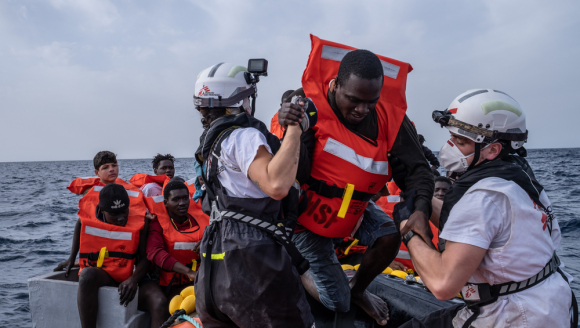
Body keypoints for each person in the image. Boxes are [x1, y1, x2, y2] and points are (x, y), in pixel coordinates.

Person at [277, 36, 434, 325]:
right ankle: (298, 267)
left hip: (353, 209)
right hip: (306, 217)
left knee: (389, 236)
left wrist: (420, 208)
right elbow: (296, 174)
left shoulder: (390, 117)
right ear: (335, 85)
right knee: (338, 302)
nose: (362, 109)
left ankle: (359, 288)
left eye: (371, 102)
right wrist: (293, 130)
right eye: (354, 100)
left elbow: (417, 170)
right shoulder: (307, 104)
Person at [397, 89, 577, 327]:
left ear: (493, 149)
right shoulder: (518, 180)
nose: (449, 147)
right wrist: (422, 197)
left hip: (513, 315)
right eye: (451, 137)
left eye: (460, 141)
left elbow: (443, 285)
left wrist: (407, 230)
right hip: (551, 305)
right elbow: (474, 230)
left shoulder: (484, 197)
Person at [192, 62, 314, 327]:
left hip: (214, 266)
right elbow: (277, 184)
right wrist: (296, 127)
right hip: (251, 263)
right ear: (244, 99)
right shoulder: (243, 136)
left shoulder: (211, 143)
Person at [56, 183, 150, 328]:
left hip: (125, 275)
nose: (121, 218)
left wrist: (133, 279)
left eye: (124, 212)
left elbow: (144, 259)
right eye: (114, 214)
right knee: (86, 275)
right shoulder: (90, 218)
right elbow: (80, 223)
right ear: (101, 210)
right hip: (102, 273)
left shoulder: (141, 222)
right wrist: (71, 257)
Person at [139, 177, 209, 328]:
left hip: (202, 280)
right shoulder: (158, 222)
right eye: (176, 199)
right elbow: (154, 252)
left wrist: (207, 242)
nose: (182, 203)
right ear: (166, 203)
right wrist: (189, 272)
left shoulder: (201, 219)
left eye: (185, 198)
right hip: (172, 285)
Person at [66, 151, 140, 195]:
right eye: (105, 167)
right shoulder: (90, 192)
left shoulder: (126, 190)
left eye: (114, 166)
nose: (111, 169)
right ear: (97, 173)